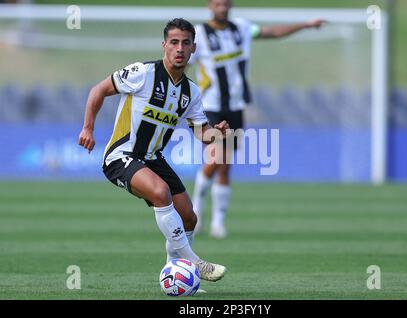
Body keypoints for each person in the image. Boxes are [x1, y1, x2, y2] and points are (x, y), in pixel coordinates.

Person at [78, 18, 228, 282]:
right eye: (174, 42)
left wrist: (216, 133)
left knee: (189, 218)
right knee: (161, 192)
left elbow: (201, 133)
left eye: (185, 43)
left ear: (193, 48)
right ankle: (194, 263)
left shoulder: (190, 92)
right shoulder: (142, 73)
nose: (179, 48)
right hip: (121, 156)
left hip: (152, 159)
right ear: (164, 45)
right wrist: (88, 128)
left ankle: (174, 276)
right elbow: (98, 90)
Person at [190, 0, 325, 238]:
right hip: (210, 106)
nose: (223, 7)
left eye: (226, 3)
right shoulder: (199, 35)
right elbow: (181, 61)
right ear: (209, 5)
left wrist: (305, 25)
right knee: (216, 156)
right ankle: (197, 210)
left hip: (236, 106)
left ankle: (218, 222)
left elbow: (272, 32)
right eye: (218, 3)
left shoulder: (241, 28)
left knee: (225, 165)